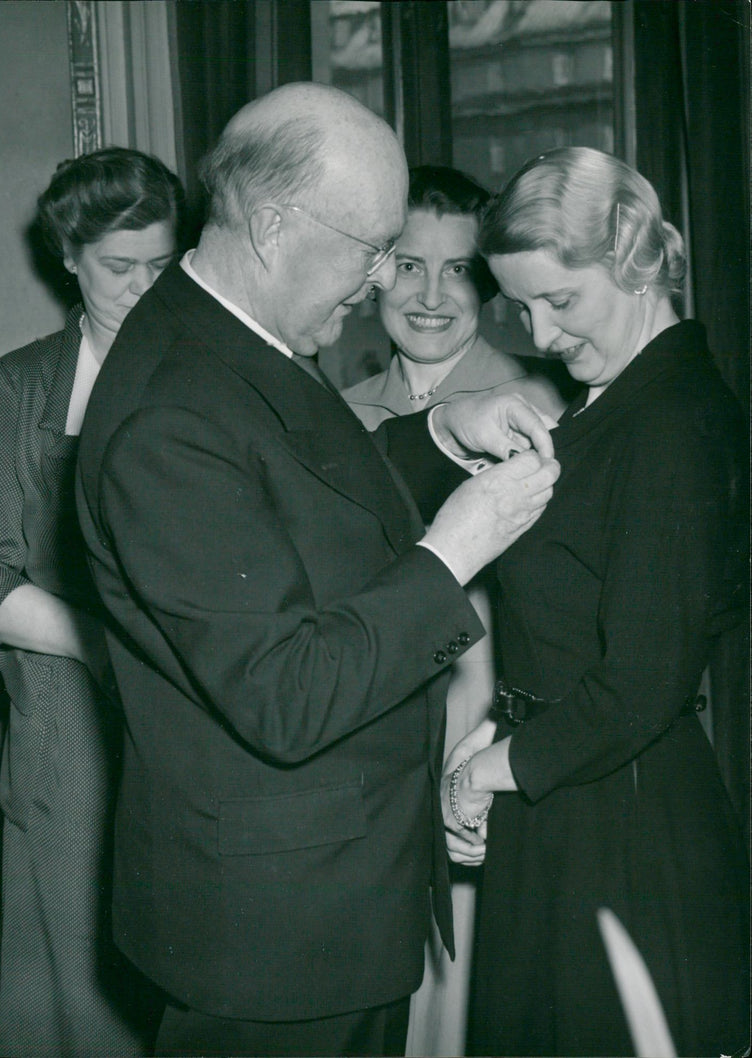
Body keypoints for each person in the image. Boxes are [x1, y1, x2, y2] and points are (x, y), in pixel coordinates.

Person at [75, 82, 560, 1058]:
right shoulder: (168, 413)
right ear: (271, 225)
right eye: (372, 249)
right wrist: (455, 547)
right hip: (273, 940)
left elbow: (296, 492)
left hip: (325, 905)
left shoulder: (224, 331)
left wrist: (440, 430)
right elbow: (284, 693)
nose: (382, 282)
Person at [438, 146, 749, 1057]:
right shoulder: (618, 402)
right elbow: (574, 632)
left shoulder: (670, 422)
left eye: (560, 301)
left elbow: (643, 683)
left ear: (634, 260)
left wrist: (485, 773)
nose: (541, 334)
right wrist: (496, 734)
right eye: (521, 307)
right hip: (579, 799)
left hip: (624, 827)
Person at [0, 147, 183, 1058]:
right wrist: (105, 642)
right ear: (68, 258)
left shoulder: (205, 375)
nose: (142, 289)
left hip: (193, 751)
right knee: (84, 1013)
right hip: (70, 751)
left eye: (161, 265)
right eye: (118, 267)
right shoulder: (22, 387)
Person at [343, 164, 565, 1057]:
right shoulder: (337, 416)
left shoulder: (541, 407)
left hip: (491, 750)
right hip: (374, 764)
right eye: (408, 264)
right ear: (373, 273)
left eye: (459, 270)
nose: (430, 295)